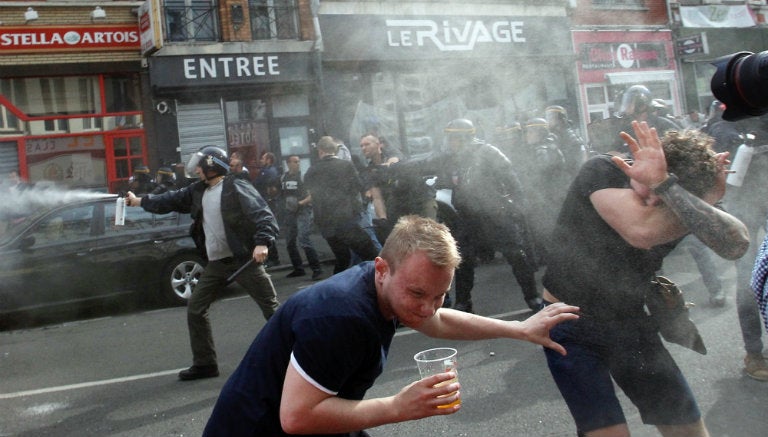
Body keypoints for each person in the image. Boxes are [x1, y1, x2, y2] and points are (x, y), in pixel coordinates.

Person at [202, 215, 581, 437]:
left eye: (439, 295)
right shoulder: (341, 317)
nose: (427, 306)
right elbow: (297, 417)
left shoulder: (385, 284)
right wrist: (400, 406)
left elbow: (437, 320)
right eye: (419, 293)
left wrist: (518, 329)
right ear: (383, 269)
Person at [542, 121, 749, 436]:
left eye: (664, 197)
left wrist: (677, 192)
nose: (653, 200)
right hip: (570, 323)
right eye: (650, 189)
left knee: (688, 429)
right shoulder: (604, 169)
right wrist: (693, 205)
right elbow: (642, 232)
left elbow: (737, 243)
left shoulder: (682, 200)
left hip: (630, 320)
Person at [125, 146, 280, 381]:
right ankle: (205, 364)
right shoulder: (198, 190)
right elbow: (170, 199)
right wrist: (139, 201)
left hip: (243, 261)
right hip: (217, 264)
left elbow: (264, 215)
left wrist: (262, 243)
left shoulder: (235, 186)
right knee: (196, 309)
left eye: (200, 165)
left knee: (272, 310)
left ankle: (298, 356)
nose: (196, 169)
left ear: (212, 166)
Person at [403, 118, 541, 313]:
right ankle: (463, 302)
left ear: (464, 138)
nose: (450, 142)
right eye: (449, 138)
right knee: (462, 258)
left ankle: (533, 296)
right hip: (467, 217)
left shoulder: (489, 153)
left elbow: (512, 180)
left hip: (495, 214)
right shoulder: (450, 158)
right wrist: (397, 166)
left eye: (454, 138)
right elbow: (423, 164)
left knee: (516, 255)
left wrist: (518, 206)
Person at [304, 136, 379, 274]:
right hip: (346, 220)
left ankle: (337, 287)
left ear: (320, 151)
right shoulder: (346, 166)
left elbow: (310, 191)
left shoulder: (312, 170)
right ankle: (381, 283)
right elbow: (359, 186)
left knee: (342, 258)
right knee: (370, 253)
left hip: (325, 224)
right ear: (335, 150)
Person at [281, 154, 323, 280]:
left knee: (303, 238)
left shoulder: (303, 177)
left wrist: (300, 203)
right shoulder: (283, 177)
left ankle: (317, 269)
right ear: (288, 163)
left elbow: (312, 195)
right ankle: (298, 268)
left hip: (303, 211)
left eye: (298, 161)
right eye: (295, 162)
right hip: (290, 212)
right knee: (289, 241)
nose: (298, 163)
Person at [252, 151, 281, 267]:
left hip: (268, 204)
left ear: (269, 160)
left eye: (263, 158)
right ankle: (272, 258)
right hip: (267, 203)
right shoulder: (267, 171)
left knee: (268, 230)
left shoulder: (269, 171)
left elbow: (259, 183)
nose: (261, 160)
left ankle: (273, 258)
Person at [545, 105, 590, 180]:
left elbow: (579, 165)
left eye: (551, 117)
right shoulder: (556, 136)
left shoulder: (572, 138)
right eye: (547, 117)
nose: (548, 121)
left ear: (561, 119)